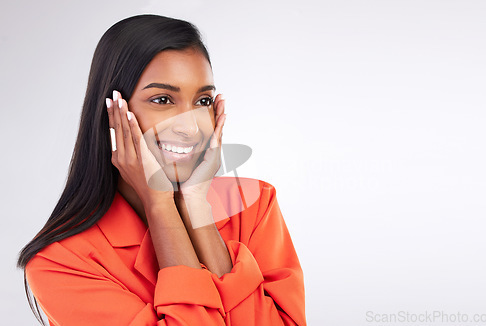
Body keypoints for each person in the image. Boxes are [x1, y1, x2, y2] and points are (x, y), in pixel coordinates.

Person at [17, 14, 306, 326]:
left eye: (203, 101)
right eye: (163, 99)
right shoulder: (62, 264)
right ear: (114, 112)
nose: (191, 128)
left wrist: (197, 207)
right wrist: (160, 204)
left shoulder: (254, 206)